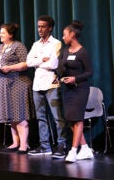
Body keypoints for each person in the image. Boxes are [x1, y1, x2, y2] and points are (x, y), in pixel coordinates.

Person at [26, 15, 66, 158]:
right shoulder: (36, 44)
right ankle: (45, 146)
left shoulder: (56, 43)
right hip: (37, 84)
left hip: (51, 82)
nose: (40, 29)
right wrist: (41, 60)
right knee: (40, 117)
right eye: (38, 26)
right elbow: (28, 61)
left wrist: (37, 62)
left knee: (57, 116)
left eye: (43, 26)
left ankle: (62, 145)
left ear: (49, 27)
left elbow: (54, 64)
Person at [57, 20, 94, 163]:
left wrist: (75, 78)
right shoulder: (65, 50)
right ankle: (85, 148)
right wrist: (59, 72)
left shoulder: (82, 52)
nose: (63, 37)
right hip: (67, 89)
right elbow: (61, 68)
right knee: (71, 120)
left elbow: (90, 72)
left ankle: (73, 151)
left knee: (78, 119)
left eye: (64, 35)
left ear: (72, 34)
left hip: (80, 89)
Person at [0, 23, 33, 154]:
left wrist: (10, 68)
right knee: (11, 115)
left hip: (18, 83)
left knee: (19, 114)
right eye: (0, 33)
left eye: (3, 33)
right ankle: (15, 142)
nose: (0, 35)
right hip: (4, 83)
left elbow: (26, 64)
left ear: (10, 35)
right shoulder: (0, 47)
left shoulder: (18, 46)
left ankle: (24, 144)